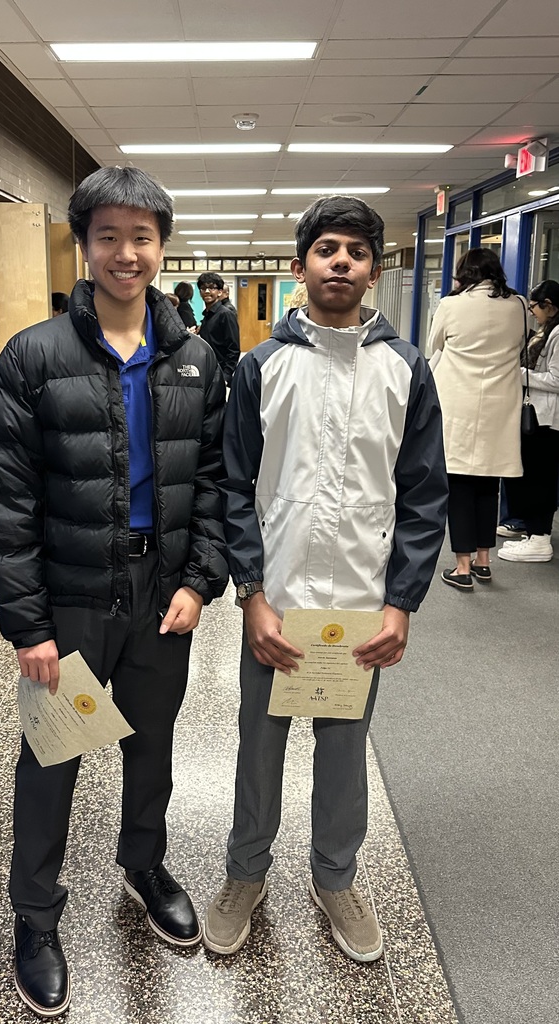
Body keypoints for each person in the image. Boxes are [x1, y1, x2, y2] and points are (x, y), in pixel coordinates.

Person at [0, 165, 228, 1018]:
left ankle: (143, 864)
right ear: (84, 245)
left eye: (143, 236)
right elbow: (7, 500)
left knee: (149, 743)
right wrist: (28, 625)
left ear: (162, 247)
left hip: (162, 594)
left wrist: (200, 581)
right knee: (52, 757)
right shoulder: (34, 357)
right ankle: (36, 917)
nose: (127, 252)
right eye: (109, 236)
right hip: (74, 596)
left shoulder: (195, 359)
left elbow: (221, 482)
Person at [203, 196, 447, 962]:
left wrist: (401, 602)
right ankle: (246, 873)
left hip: (358, 603)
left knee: (344, 749)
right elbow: (231, 484)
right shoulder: (261, 365)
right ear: (299, 266)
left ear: (375, 269)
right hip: (275, 600)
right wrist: (251, 593)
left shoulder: (403, 368)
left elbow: (423, 493)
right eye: (325, 249)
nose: (339, 261)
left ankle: (333, 877)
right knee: (259, 744)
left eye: (355, 251)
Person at [429, 248, 525, 590]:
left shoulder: (451, 305)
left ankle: (462, 566)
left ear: (463, 273)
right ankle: (485, 561)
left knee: (458, 486)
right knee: (489, 483)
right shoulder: (519, 305)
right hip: (501, 404)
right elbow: (520, 346)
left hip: (460, 402)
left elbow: (433, 345)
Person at [498, 279, 559, 563]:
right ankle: (533, 533)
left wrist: (521, 374)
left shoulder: (558, 334)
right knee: (531, 475)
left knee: (540, 478)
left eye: (534, 306)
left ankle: (540, 538)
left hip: (547, 420)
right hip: (536, 414)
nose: (532, 312)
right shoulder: (548, 331)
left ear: (548, 305)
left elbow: (557, 379)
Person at [197, 271, 240, 385]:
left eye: (212, 288)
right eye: (203, 288)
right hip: (206, 370)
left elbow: (234, 348)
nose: (207, 291)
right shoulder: (207, 315)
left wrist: (226, 375)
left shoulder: (225, 314)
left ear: (220, 292)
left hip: (220, 372)